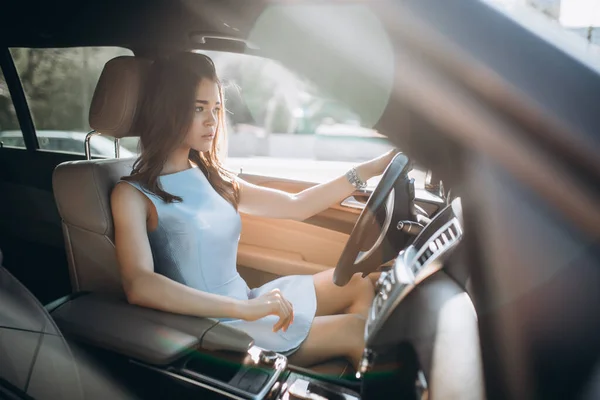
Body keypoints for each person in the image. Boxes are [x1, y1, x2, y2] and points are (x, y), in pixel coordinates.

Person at [111, 52, 397, 369]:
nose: (212, 120)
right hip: (221, 328)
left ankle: (342, 376)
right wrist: (245, 310)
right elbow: (139, 285)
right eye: (198, 108)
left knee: (357, 281)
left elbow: (297, 205)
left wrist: (371, 169)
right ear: (168, 111)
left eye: (216, 108)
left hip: (247, 302)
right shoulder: (132, 195)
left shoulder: (212, 177)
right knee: (356, 330)